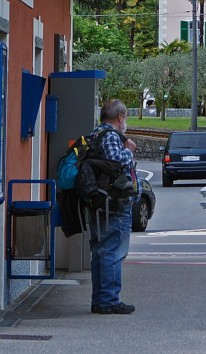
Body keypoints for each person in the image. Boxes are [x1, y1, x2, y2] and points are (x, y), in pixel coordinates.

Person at [87, 99, 138, 314]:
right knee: (113, 252)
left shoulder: (95, 135)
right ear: (120, 118)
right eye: (124, 117)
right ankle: (109, 300)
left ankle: (100, 299)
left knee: (100, 252)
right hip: (114, 204)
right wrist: (129, 150)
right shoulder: (109, 136)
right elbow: (116, 161)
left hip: (101, 202)